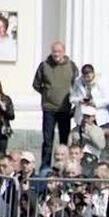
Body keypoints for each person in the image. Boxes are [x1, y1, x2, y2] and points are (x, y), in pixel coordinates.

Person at [32, 41, 78, 169]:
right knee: (48, 140)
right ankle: (45, 167)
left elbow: (77, 85)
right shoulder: (44, 66)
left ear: (63, 52)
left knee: (64, 140)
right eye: (54, 52)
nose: (56, 54)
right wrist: (46, 94)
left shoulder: (71, 66)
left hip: (65, 109)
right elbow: (36, 84)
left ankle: (65, 166)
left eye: (58, 52)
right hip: (49, 108)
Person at [71, 64, 109, 128]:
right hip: (83, 116)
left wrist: (95, 103)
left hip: (98, 116)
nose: (87, 79)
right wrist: (79, 100)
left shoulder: (101, 81)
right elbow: (72, 97)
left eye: (88, 77)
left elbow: (108, 99)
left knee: (99, 136)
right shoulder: (78, 81)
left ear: (93, 73)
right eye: (84, 77)